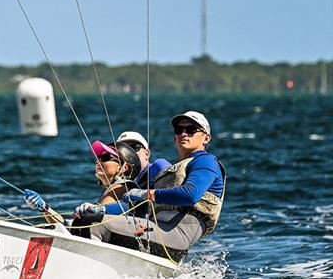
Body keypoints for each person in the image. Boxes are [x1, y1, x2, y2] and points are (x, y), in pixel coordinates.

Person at [74, 111, 226, 261]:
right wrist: (101, 209)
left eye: (191, 130)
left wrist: (147, 193)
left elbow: (190, 194)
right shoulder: (176, 169)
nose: (184, 134)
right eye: (179, 130)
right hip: (156, 230)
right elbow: (136, 207)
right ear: (174, 138)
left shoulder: (206, 161)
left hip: (178, 235)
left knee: (95, 224)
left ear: (206, 138)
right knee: (87, 218)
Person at [24, 140, 141, 235]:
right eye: (98, 158)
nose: (98, 161)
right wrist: (44, 208)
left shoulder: (122, 186)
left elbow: (75, 224)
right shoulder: (110, 191)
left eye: (105, 158)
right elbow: (68, 224)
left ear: (124, 168)